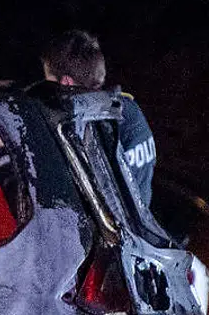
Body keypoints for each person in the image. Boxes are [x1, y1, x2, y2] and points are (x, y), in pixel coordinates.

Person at [40, 29, 157, 208]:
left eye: (48, 79)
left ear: (66, 83)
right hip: (139, 229)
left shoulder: (89, 130)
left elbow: (55, 199)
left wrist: (1, 156)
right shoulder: (128, 108)